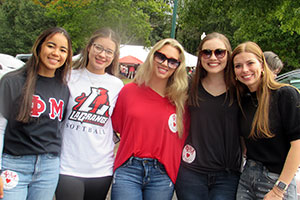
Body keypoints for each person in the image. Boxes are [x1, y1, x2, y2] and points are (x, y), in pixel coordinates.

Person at [110, 38, 189, 200]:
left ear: (178, 67)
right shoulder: (128, 91)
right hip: (128, 169)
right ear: (152, 56)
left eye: (173, 61)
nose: (165, 64)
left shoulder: (181, 101)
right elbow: (116, 127)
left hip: (162, 173)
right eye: (161, 57)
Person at [0, 27, 72, 200]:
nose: (56, 53)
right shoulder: (12, 81)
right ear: (39, 46)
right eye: (51, 46)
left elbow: (59, 129)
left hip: (48, 168)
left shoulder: (64, 88)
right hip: (15, 164)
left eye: (63, 50)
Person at [55, 27, 124, 200]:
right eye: (98, 47)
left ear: (114, 56)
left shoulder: (117, 85)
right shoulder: (68, 76)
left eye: (109, 51)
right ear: (89, 47)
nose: (102, 55)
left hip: (101, 169)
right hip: (68, 166)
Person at [175, 32, 241, 200]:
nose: (213, 57)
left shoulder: (240, 89)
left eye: (219, 52)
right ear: (200, 55)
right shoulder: (189, 86)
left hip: (227, 176)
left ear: (228, 54)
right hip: (191, 173)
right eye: (207, 52)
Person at [231, 41, 300, 200]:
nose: (245, 70)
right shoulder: (244, 100)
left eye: (250, 63)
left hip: (276, 180)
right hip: (247, 178)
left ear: (262, 65)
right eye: (238, 66)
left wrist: (279, 189)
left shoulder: (285, 94)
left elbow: (297, 146)